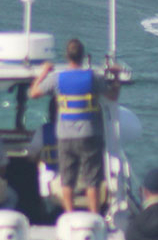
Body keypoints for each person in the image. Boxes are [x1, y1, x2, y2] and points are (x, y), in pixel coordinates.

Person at [28, 38, 121, 214]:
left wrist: (43, 72)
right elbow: (113, 96)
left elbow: (33, 93)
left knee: (67, 179)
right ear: (83, 56)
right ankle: (94, 215)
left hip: (65, 136)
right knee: (92, 180)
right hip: (89, 135)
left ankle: (69, 215)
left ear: (66, 56)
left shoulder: (57, 79)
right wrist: (115, 76)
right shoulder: (93, 78)